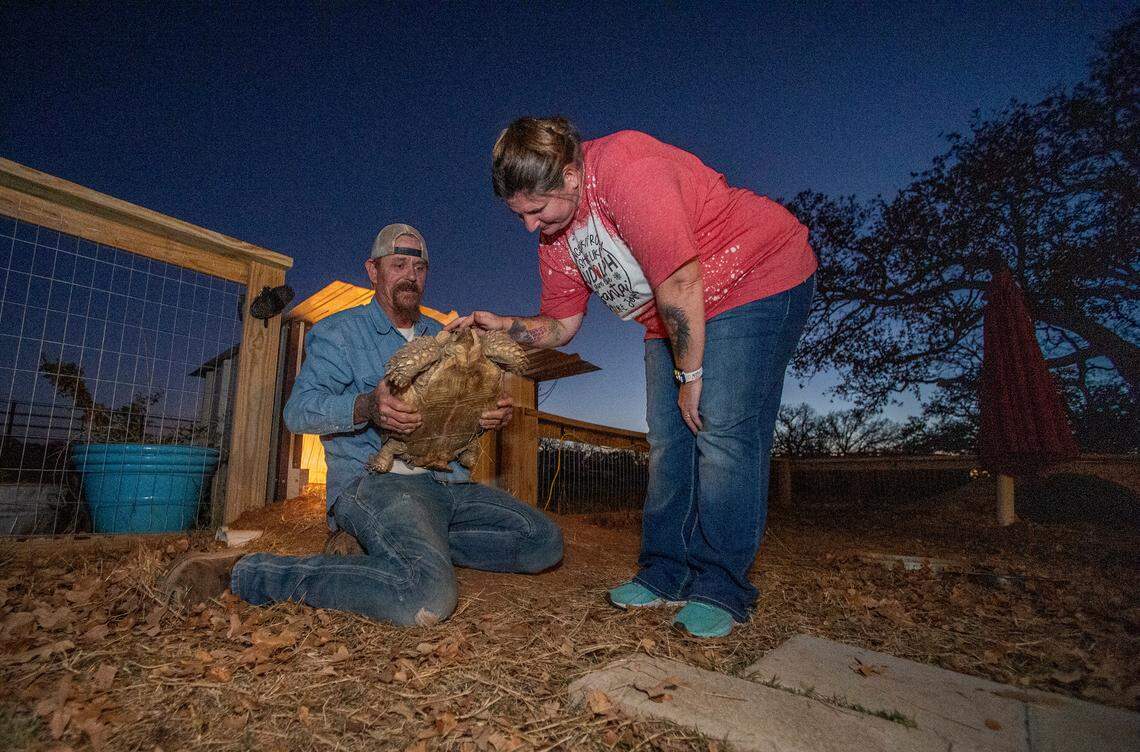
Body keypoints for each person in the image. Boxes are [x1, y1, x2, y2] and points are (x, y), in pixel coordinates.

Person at [449, 118, 815, 637]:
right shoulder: (557, 240)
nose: (530, 225)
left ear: (571, 176)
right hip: (669, 311)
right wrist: (504, 327)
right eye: (520, 215)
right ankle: (665, 571)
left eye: (536, 209)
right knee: (668, 439)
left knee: (722, 428)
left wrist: (691, 373)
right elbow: (562, 326)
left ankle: (722, 586)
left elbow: (682, 278)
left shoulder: (627, 169)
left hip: (752, 278)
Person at [162, 223, 564, 626]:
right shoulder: (339, 333)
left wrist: (484, 416)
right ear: (373, 270)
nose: (411, 275)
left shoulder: (443, 336)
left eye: (419, 268)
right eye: (399, 264)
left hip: (448, 481)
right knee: (424, 595)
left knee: (543, 543)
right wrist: (366, 406)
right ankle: (248, 571)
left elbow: (453, 414)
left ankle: (403, 546)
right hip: (379, 484)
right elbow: (298, 411)